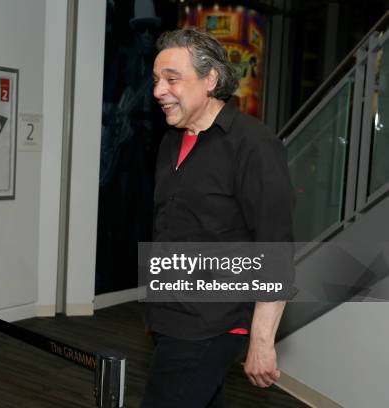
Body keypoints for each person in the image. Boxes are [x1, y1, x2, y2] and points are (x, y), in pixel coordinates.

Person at [142, 27, 294, 407]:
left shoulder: (254, 145)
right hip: (169, 319)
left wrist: (261, 341)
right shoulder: (170, 140)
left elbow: (276, 249)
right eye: (157, 80)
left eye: (172, 79)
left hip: (211, 323)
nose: (159, 91)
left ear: (210, 80)